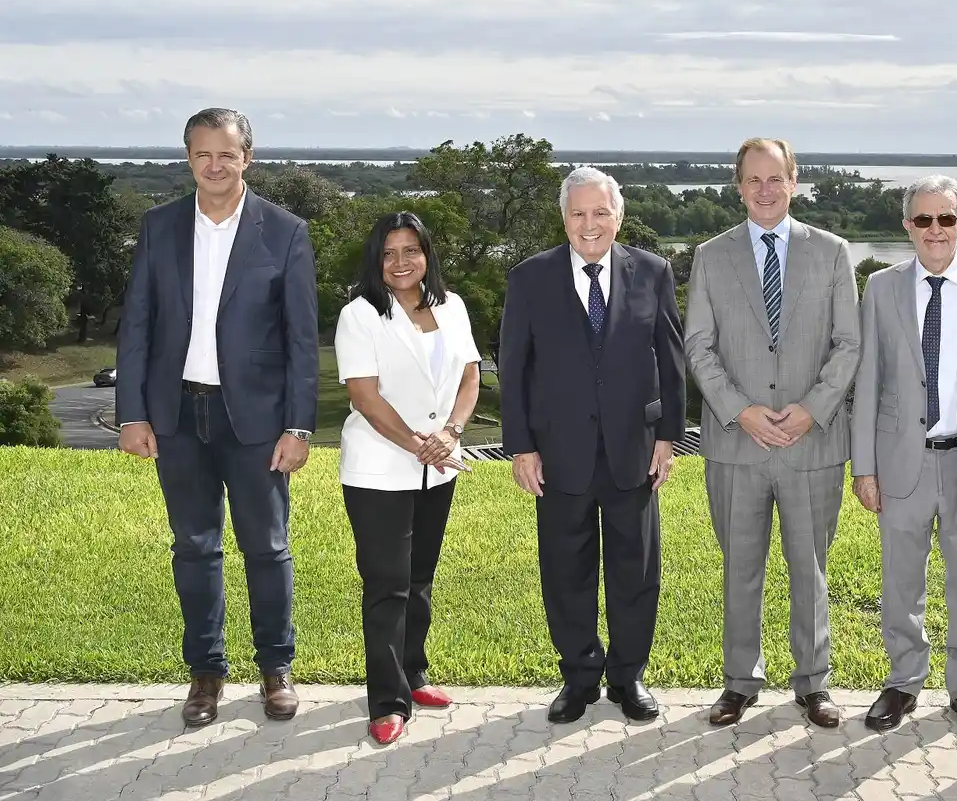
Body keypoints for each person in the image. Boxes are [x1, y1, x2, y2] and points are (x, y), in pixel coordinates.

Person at [115, 108, 318, 727]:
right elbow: (139, 324)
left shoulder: (285, 232)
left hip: (255, 420)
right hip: (178, 415)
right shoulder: (159, 227)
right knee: (194, 548)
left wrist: (299, 425)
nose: (215, 165)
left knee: (268, 547)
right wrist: (133, 414)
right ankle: (206, 675)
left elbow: (302, 339)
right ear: (188, 159)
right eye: (203, 154)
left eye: (227, 154)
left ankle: (275, 672)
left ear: (247, 158)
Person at [498, 167, 686, 724]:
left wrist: (668, 436)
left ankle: (628, 678)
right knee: (566, 571)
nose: (589, 223)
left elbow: (670, 362)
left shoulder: (652, 272)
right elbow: (514, 368)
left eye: (600, 212)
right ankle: (578, 678)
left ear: (618, 216)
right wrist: (521, 448)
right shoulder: (529, 278)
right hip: (558, 457)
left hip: (634, 452)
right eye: (578, 213)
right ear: (564, 218)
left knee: (636, 570)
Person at [684, 137, 861, 729]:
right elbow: (699, 348)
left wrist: (813, 408)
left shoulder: (833, 253)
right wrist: (742, 411)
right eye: (753, 180)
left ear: (794, 181)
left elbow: (848, 345)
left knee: (809, 567)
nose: (765, 190)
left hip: (813, 443)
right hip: (738, 443)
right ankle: (739, 682)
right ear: (738, 186)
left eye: (775, 179)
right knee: (741, 565)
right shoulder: (710, 256)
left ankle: (813, 683)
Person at [851, 175, 957, 735]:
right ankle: (903, 684)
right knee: (902, 580)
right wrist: (865, 468)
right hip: (901, 461)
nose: (934, 230)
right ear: (907, 226)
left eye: (945, 219)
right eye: (923, 219)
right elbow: (868, 383)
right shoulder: (880, 288)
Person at [334, 212, 481, 745]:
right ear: (377, 259)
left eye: (411, 250)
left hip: (437, 468)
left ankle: (413, 674)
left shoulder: (451, 305)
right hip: (380, 468)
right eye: (390, 252)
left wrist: (451, 432)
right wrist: (422, 444)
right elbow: (365, 397)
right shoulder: (360, 315)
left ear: (427, 255)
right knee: (387, 587)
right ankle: (387, 701)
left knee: (420, 580)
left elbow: (470, 375)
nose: (401, 262)